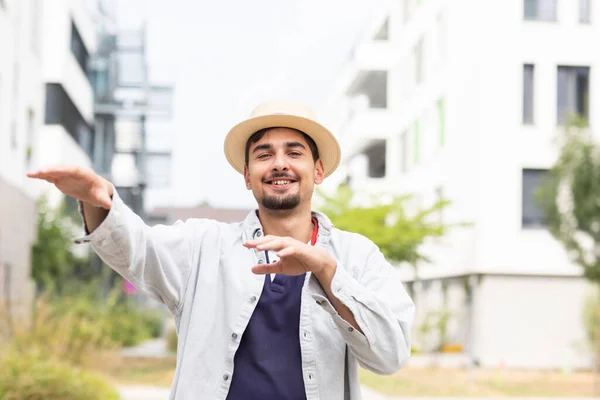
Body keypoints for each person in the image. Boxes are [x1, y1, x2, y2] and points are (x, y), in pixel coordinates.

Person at [28, 100, 415, 400]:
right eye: (264, 154)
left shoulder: (357, 255)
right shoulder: (203, 245)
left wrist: (328, 273)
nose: (279, 164)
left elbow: (390, 355)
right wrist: (101, 201)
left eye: (294, 152)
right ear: (247, 176)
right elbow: (138, 249)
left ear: (318, 170)